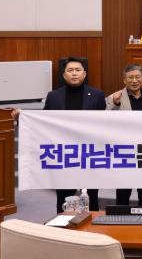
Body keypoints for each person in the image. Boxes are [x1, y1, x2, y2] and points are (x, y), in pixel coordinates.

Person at [44, 56, 106, 213]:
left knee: (91, 196)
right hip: (65, 154)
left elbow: (104, 124)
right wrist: (23, 116)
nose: (74, 73)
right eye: (70, 70)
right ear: (64, 75)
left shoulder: (97, 95)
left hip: (90, 153)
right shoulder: (53, 96)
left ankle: (92, 226)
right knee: (64, 197)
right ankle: (62, 224)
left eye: (78, 70)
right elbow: (43, 121)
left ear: (84, 74)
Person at [106, 63, 142, 206]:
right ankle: (120, 216)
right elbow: (105, 120)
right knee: (123, 190)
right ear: (124, 80)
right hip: (125, 149)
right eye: (130, 77)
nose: (134, 81)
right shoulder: (114, 97)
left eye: (137, 77)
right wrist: (115, 104)